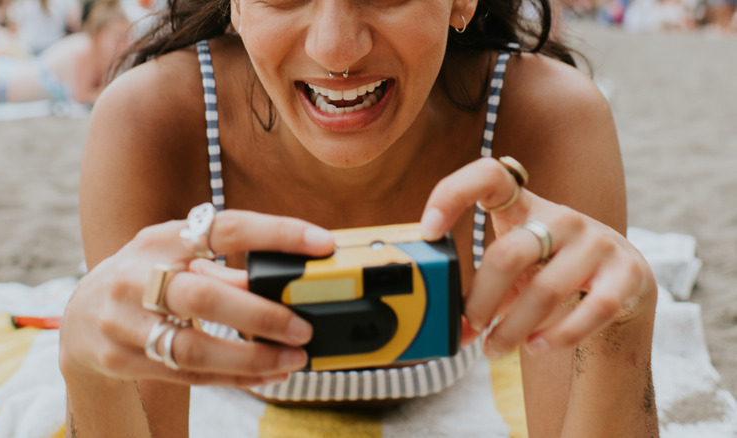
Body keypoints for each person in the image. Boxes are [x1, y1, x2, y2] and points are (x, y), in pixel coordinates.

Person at [60, 0, 660, 436]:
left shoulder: (547, 119)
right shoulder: (149, 122)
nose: (335, 49)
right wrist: (84, 366)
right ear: (235, 7)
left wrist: (623, 327)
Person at [0, 0, 130, 105]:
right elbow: (81, 97)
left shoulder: (95, 54)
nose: (123, 45)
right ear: (100, 34)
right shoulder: (83, 47)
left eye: (126, 38)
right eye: (118, 37)